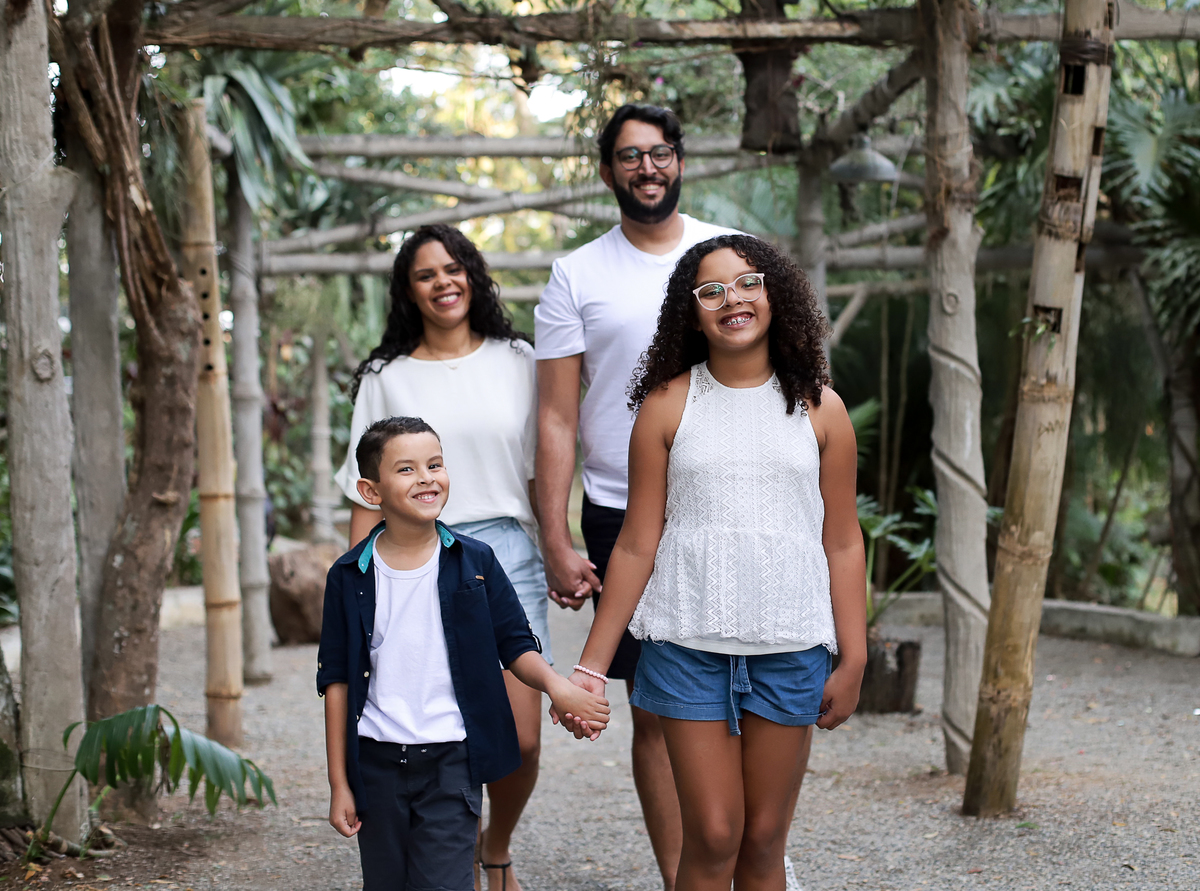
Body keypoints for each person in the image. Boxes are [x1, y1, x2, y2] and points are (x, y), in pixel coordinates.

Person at [567, 235, 868, 891]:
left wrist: (855, 656)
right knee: (712, 834)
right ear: (692, 312)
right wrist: (590, 667)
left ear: (774, 294)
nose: (733, 299)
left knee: (762, 840)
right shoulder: (667, 404)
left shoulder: (823, 408)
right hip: (686, 648)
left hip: (790, 648)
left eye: (747, 282)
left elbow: (844, 541)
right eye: (712, 290)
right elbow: (636, 543)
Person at [534, 103, 738, 888]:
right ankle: (682, 877)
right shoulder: (577, 274)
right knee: (653, 708)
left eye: (659, 153)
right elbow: (557, 416)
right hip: (621, 510)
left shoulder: (728, 253)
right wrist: (556, 535)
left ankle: (741, 859)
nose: (646, 168)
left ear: (680, 161)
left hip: (726, 498)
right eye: (629, 155)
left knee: (736, 693)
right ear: (607, 171)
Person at [335, 224, 547, 891]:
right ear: (408, 290)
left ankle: (495, 844)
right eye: (425, 274)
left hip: (504, 548)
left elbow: (540, 469)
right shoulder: (385, 377)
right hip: (407, 553)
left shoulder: (519, 359)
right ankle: (441, 833)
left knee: (521, 736)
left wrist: (560, 548)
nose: (442, 282)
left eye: (453, 268)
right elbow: (365, 491)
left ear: (472, 275)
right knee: (427, 716)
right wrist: (356, 586)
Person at [319, 416, 609, 891]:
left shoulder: (476, 562)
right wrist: (339, 784)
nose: (426, 478)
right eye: (407, 469)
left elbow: (515, 643)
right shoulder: (348, 576)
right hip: (375, 765)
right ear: (371, 492)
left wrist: (557, 687)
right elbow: (336, 680)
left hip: (452, 762)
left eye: (434, 464)